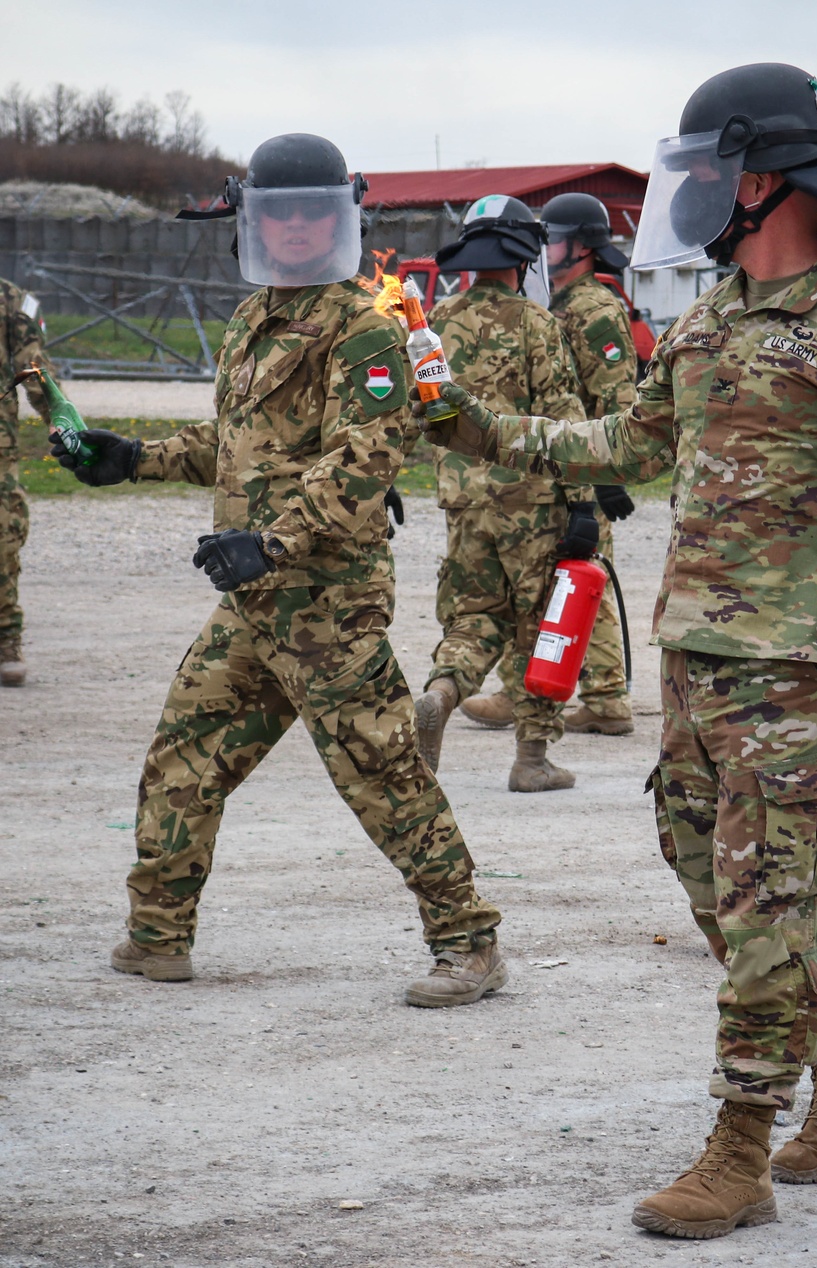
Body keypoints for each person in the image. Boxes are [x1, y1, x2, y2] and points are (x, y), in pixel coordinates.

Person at [417, 65, 817, 1237]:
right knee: (717, 888)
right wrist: (470, 422)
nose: (691, 194)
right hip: (691, 660)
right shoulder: (711, 318)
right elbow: (624, 434)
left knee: (769, 910)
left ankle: (739, 1152)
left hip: (792, 671)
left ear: (760, 177)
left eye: (708, 171)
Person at [52, 133, 506, 1009]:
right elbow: (235, 450)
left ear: (338, 220)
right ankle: (158, 936)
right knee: (183, 756)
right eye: (279, 214)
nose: (296, 229)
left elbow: (366, 457)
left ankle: (470, 945)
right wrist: (133, 457)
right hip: (254, 602)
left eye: (313, 214)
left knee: (382, 776)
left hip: (326, 605)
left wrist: (274, 541)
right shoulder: (254, 320)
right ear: (253, 221)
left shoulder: (364, 329)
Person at [411, 194, 591, 792]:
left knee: (473, 617)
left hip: (463, 502)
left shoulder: (438, 324)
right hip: (532, 502)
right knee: (540, 626)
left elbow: (423, 414)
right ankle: (532, 760)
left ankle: (443, 690)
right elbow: (565, 423)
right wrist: (584, 503)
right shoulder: (539, 323)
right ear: (523, 258)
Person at [460, 192, 637, 737]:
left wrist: (605, 475)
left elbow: (617, 397)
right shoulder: (556, 305)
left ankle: (576, 698)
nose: (543, 246)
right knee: (569, 579)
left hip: (582, 464)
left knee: (575, 578)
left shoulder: (595, 308)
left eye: (553, 236)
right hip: (554, 464)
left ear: (583, 247)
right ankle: (599, 700)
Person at [0, 280, 56, 687]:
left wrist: (62, 422)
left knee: (4, 533)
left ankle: (5, 637)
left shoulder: (9, 300)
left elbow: (32, 365)